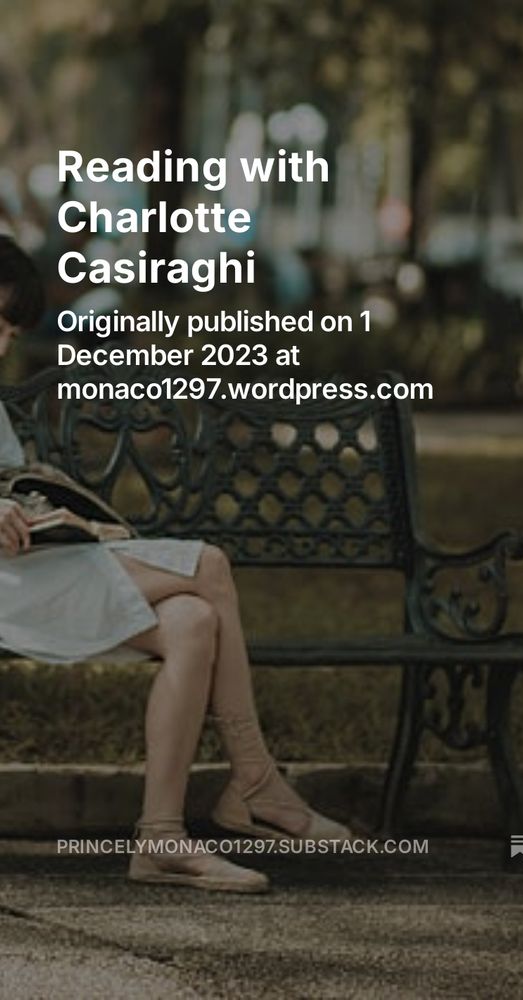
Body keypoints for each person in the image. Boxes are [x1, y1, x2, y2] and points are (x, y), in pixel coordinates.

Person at [0, 236, 351, 894]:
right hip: (9, 586)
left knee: (192, 620)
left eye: (11, 333)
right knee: (207, 567)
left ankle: (160, 839)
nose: (1, 345)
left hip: (29, 569)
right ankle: (255, 782)